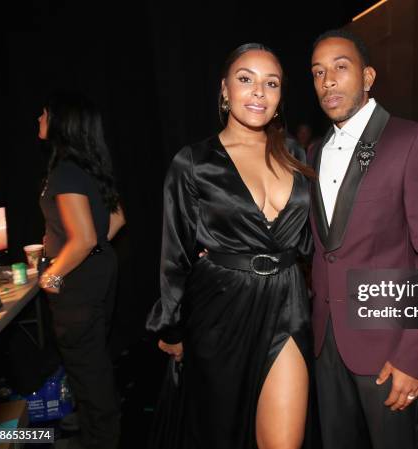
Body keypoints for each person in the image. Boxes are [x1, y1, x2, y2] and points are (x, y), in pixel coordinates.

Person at [146, 43, 315, 449]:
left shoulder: (294, 153)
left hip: (287, 301)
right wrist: (171, 324)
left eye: (270, 83)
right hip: (220, 309)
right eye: (246, 79)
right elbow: (176, 254)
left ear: (279, 96)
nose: (258, 91)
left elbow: (311, 237)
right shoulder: (193, 162)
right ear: (225, 90)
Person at [308, 29, 418, 449]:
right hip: (326, 343)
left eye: (340, 67)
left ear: (368, 76)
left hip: (389, 348)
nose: (328, 80)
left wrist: (413, 356)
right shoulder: (315, 152)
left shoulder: (414, 140)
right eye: (318, 72)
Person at [37, 91, 125, 449]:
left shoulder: (65, 173)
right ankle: (98, 431)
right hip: (97, 277)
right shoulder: (90, 166)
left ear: (60, 122)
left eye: (43, 114)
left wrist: (52, 274)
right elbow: (117, 219)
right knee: (93, 366)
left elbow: (84, 238)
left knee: (89, 374)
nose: (38, 120)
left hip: (77, 286)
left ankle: (102, 438)